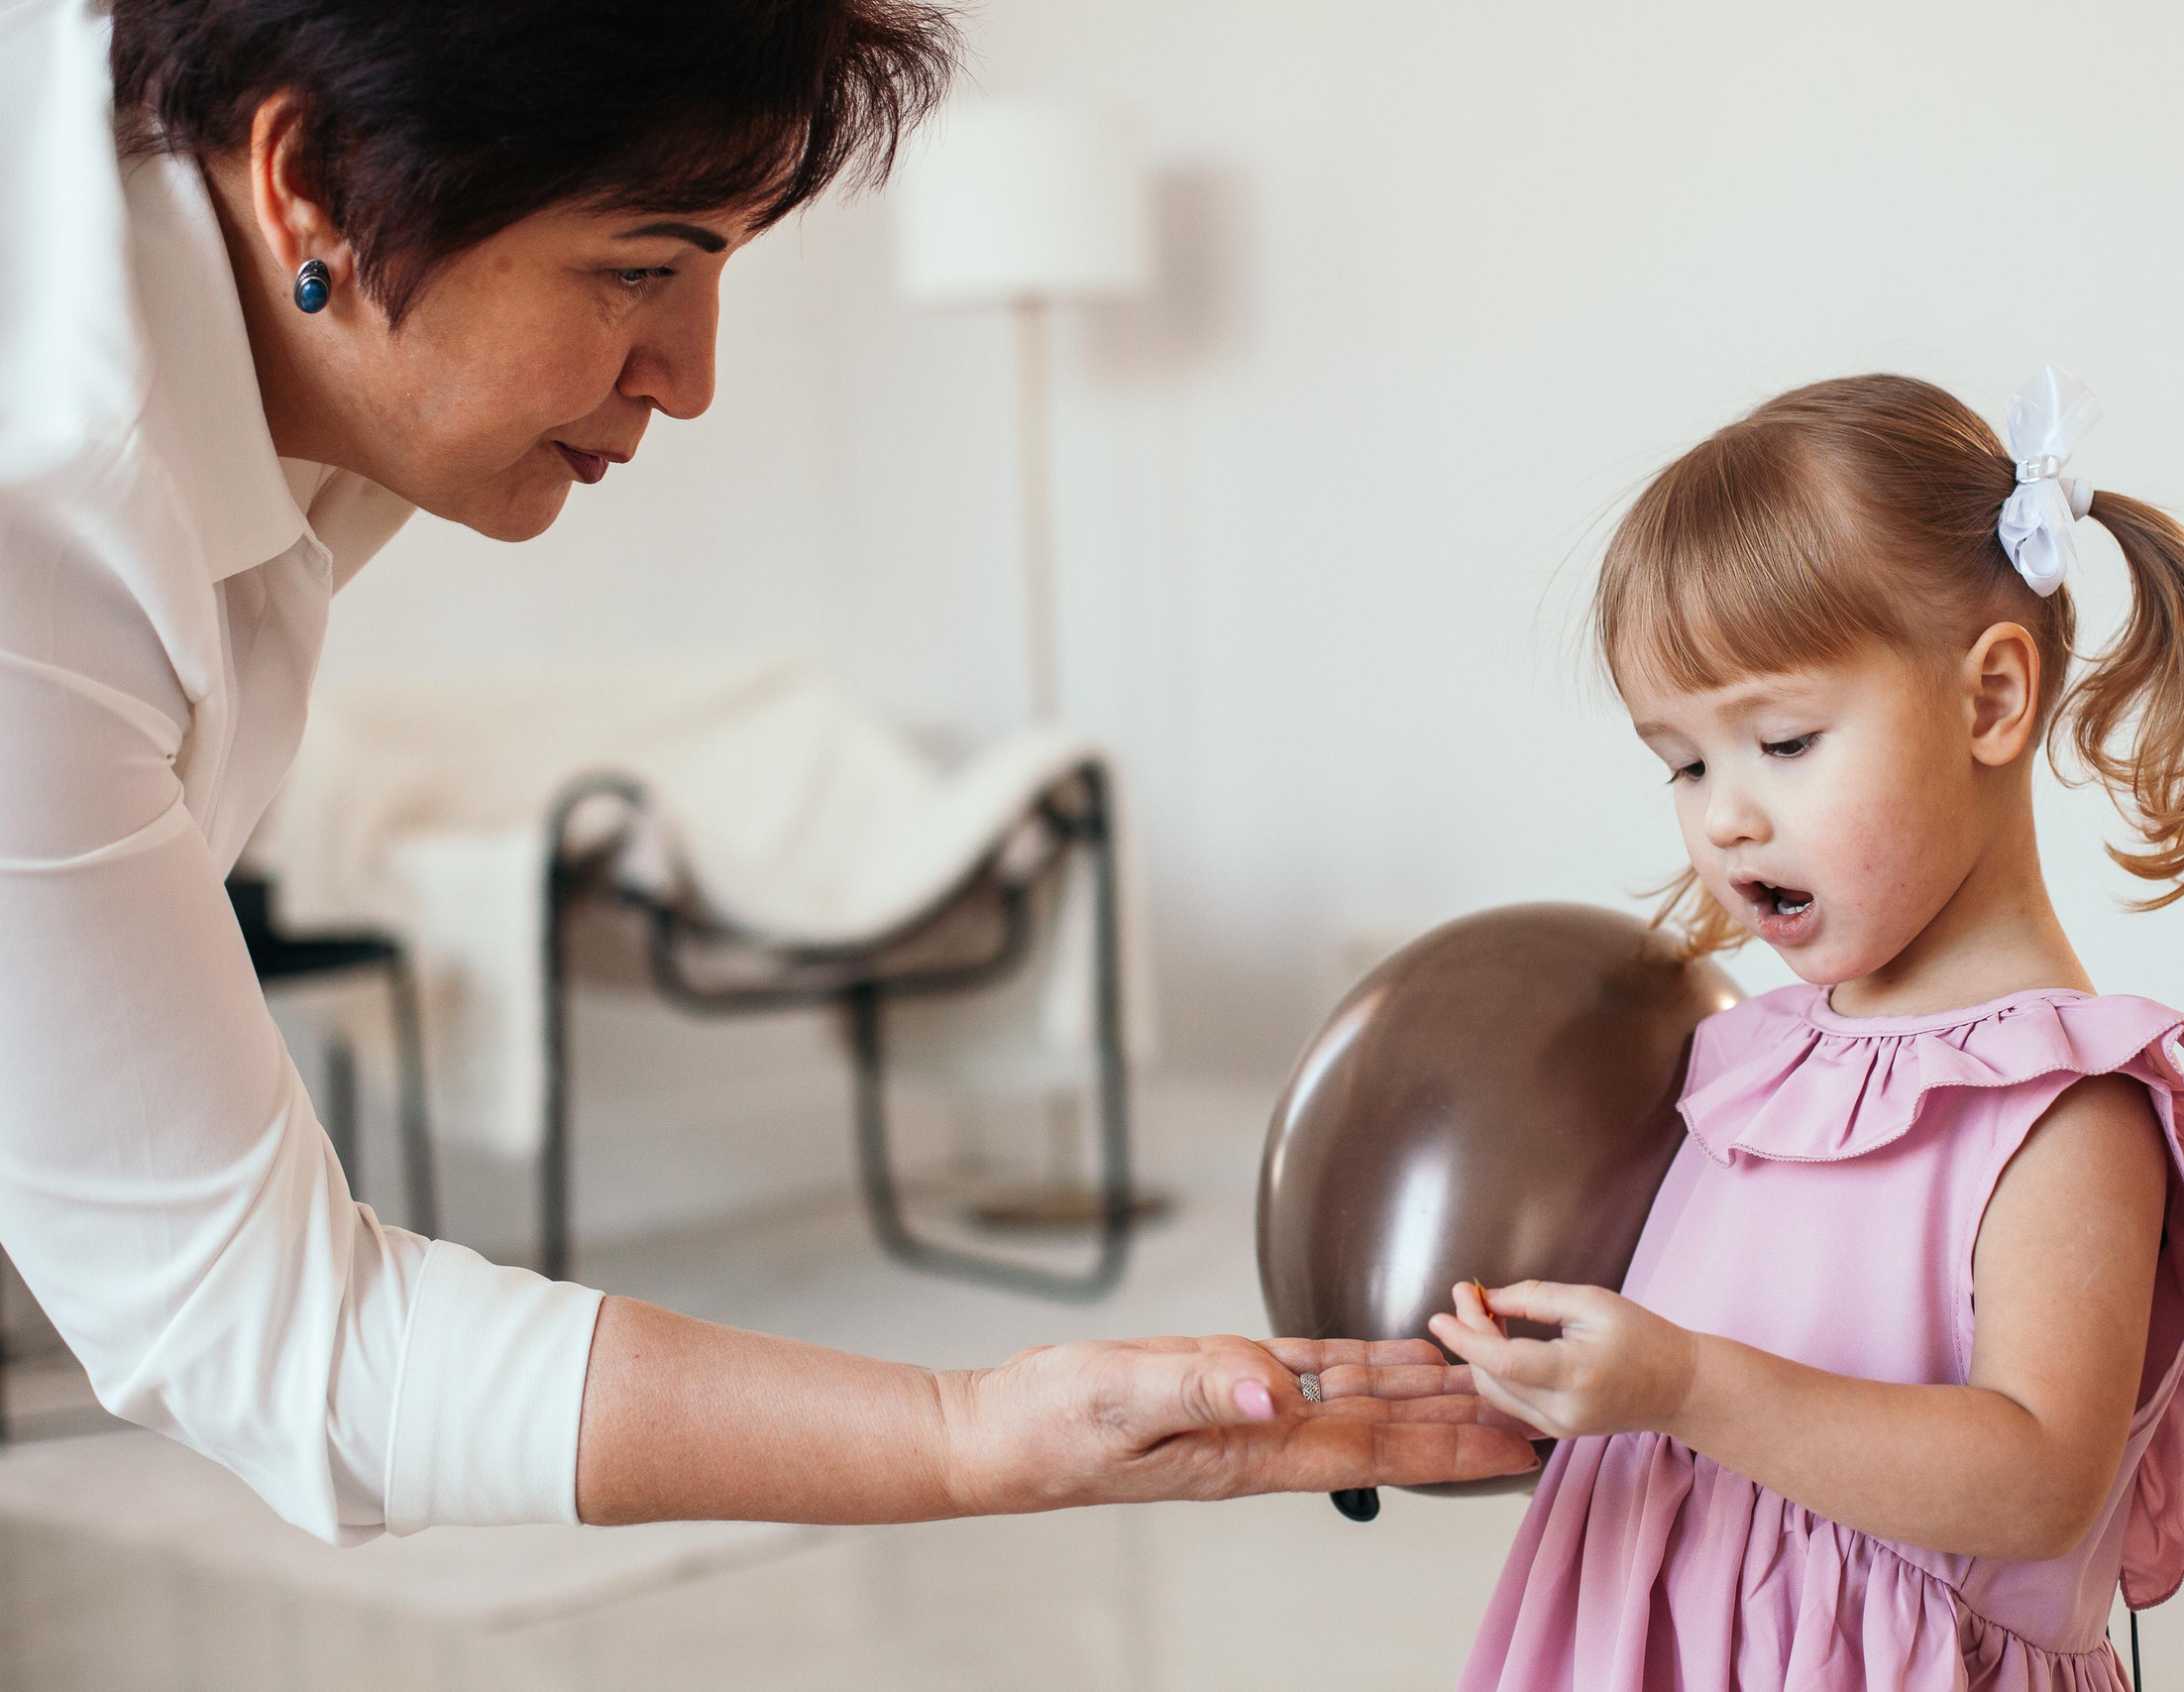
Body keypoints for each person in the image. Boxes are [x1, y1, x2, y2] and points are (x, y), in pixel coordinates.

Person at [0, 0, 1534, 1545]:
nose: (689, 374)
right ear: (309, 175)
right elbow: (269, 1329)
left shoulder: (235, 325)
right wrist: (963, 1438)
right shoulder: (33, 520)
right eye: (640, 269)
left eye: (715, 268)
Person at [1429, 370, 2184, 1689]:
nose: (1724, 815)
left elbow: (2037, 1485)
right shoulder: (1754, 1058)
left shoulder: (2065, 1114)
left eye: (1781, 740)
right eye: (1684, 762)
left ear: (1991, 703)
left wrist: (1684, 1387)